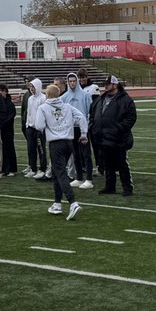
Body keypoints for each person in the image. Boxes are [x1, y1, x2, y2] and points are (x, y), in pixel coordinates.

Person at [35, 84, 87, 220]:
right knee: (57, 172)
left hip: (55, 143)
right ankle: (57, 203)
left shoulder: (43, 108)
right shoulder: (67, 106)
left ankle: (72, 202)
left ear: (47, 95)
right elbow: (81, 117)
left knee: (61, 173)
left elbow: (39, 126)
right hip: (69, 143)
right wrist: (83, 134)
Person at [90, 75, 136, 196]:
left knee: (122, 164)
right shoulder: (101, 99)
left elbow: (131, 118)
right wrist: (94, 128)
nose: (105, 86)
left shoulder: (126, 100)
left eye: (108, 84)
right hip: (103, 137)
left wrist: (118, 129)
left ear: (115, 85)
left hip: (118, 139)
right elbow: (93, 115)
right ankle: (110, 186)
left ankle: (127, 187)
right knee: (108, 164)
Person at [61, 73, 92, 188]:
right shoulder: (64, 97)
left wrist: (87, 128)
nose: (72, 83)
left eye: (74, 81)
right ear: (68, 82)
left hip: (83, 128)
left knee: (86, 154)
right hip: (71, 129)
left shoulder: (85, 95)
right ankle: (79, 177)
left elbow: (90, 111)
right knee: (75, 154)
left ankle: (89, 179)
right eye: (70, 81)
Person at [22, 79, 47, 179]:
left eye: (33, 87)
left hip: (39, 129)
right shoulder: (30, 98)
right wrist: (28, 124)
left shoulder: (43, 98)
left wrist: (40, 127)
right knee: (31, 149)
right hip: (30, 128)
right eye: (30, 87)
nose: (32, 89)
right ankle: (33, 168)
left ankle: (43, 168)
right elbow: (29, 113)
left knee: (41, 149)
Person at [0, 83, 19, 176]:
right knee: (1, 149)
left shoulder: (10, 104)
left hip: (7, 130)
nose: (0, 93)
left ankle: (12, 169)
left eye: (1, 91)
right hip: (0, 129)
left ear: (5, 92)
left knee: (9, 148)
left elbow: (9, 117)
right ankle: (4, 168)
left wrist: (0, 123)